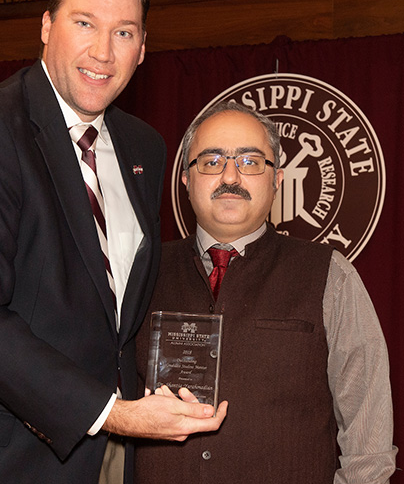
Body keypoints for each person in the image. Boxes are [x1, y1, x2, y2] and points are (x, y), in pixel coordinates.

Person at [0, 0, 227, 484]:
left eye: (124, 33)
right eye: (85, 24)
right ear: (47, 26)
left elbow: (112, 320)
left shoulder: (143, 146)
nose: (103, 52)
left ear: (143, 49)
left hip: (105, 462)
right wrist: (113, 413)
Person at [134, 101, 397, 484]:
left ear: (277, 180)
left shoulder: (330, 275)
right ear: (186, 181)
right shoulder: (140, 272)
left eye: (250, 161)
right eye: (211, 161)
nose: (230, 176)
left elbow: (367, 439)